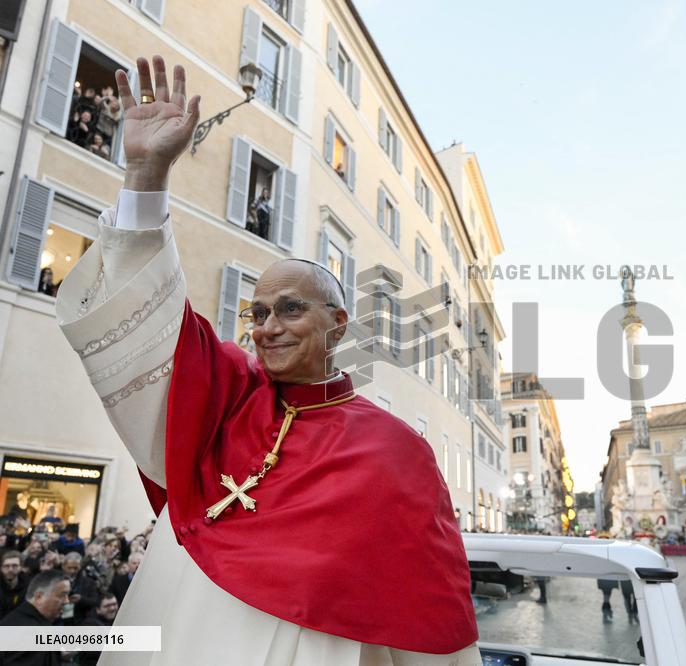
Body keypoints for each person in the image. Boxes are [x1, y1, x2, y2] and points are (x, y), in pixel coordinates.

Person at [54, 55, 479, 665]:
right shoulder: (228, 396)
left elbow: (427, 621)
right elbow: (155, 324)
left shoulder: (398, 451)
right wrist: (147, 175)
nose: (267, 328)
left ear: (337, 323)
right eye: (256, 314)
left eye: (288, 310)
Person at [0, 570, 70, 666]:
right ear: (39, 597)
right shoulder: (30, 633)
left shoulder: (17, 619)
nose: (67, 601)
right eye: (62, 595)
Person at [79, 593, 119, 666]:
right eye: (107, 606)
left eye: (114, 604)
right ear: (98, 609)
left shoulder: (117, 621)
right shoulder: (89, 626)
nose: (112, 608)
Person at [60, 551, 100, 624]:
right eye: (69, 568)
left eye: (75, 568)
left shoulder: (89, 582)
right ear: (63, 566)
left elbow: (95, 601)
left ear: (80, 566)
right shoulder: (56, 581)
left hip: (81, 621)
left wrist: (81, 599)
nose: (72, 571)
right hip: (60, 622)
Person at [0, 550, 29, 618]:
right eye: (6, 566)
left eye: (15, 566)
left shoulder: (28, 585)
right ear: (1, 568)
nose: (10, 569)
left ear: (21, 567)